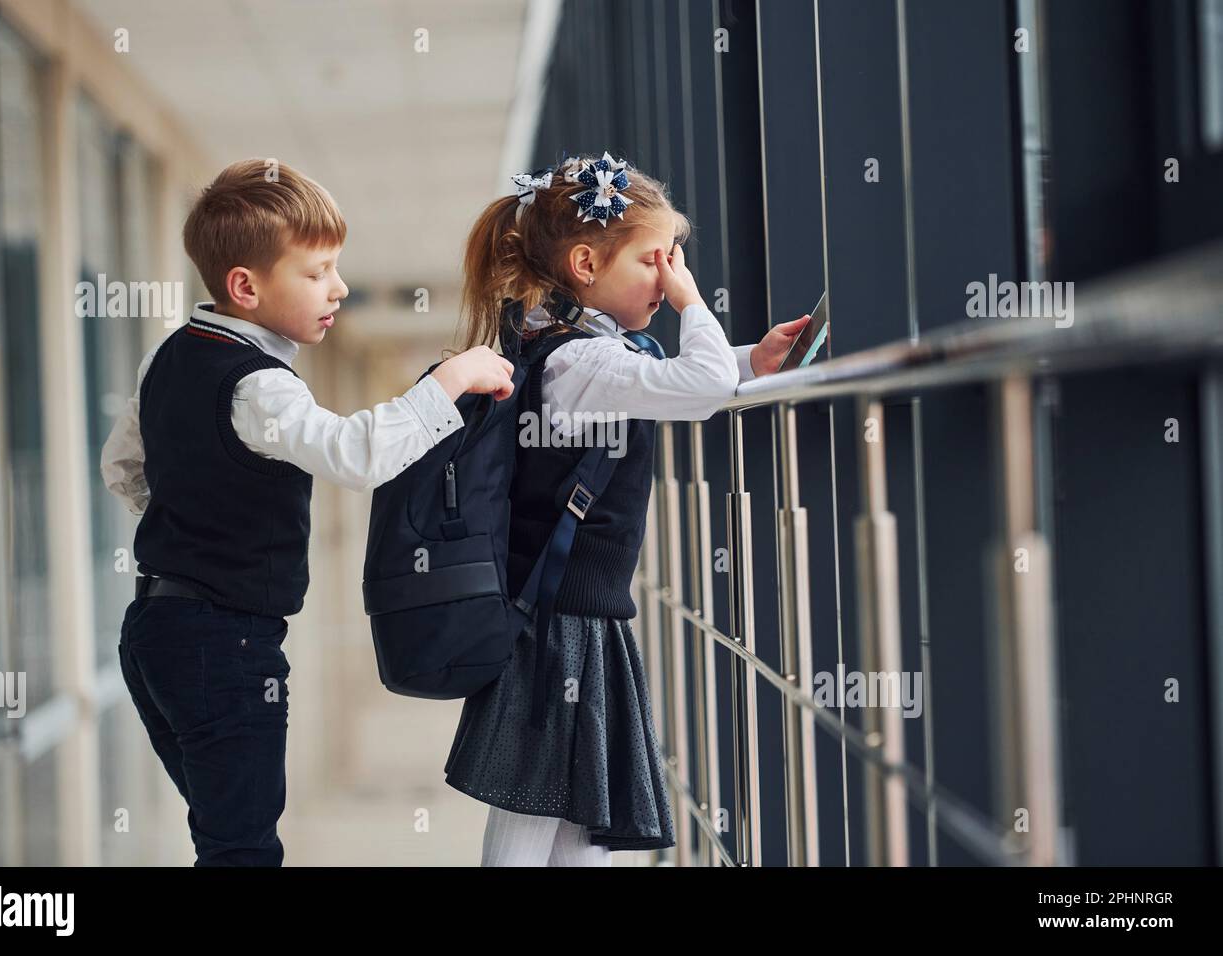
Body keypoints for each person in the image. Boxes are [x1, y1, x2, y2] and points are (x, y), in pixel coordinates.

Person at [100, 158, 513, 865]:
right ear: (246, 287)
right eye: (318, 271)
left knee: (228, 837)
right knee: (243, 849)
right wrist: (453, 377)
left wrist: (195, 528)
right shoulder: (260, 387)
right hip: (224, 646)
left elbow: (124, 468)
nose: (339, 288)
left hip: (154, 632)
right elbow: (357, 454)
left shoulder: (167, 357)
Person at [442, 152, 810, 865]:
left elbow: (669, 382)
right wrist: (692, 302)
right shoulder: (575, 360)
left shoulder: (577, 352)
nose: (667, 276)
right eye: (655, 261)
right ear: (585, 263)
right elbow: (689, 388)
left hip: (575, 618)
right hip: (558, 624)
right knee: (533, 821)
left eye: (673, 263)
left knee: (578, 821)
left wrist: (749, 363)